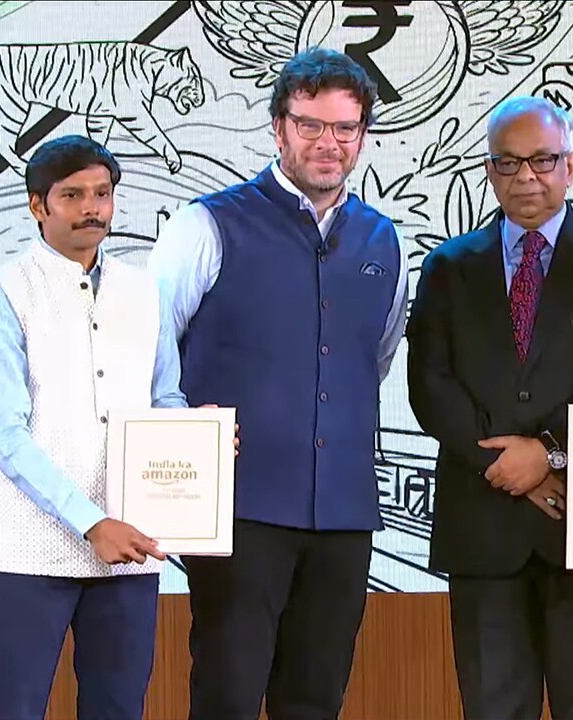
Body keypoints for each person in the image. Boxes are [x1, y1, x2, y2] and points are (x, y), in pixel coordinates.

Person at [146, 48, 408, 720]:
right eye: (310, 125)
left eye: (345, 128)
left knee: (316, 699)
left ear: (363, 135)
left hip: (343, 514)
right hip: (239, 510)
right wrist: (182, 430)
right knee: (228, 697)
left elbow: (372, 359)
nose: (328, 143)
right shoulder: (206, 224)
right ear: (278, 128)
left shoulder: (385, 241)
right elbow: (151, 349)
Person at [406, 96, 573, 720]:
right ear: (489, 171)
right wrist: (504, 463)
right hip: (482, 530)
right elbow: (430, 387)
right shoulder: (447, 266)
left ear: (571, 166)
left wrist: (548, 453)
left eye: (543, 160)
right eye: (509, 163)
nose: (526, 177)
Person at [0, 135, 185, 720]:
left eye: (102, 194)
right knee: (17, 709)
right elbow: (5, 434)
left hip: (130, 547)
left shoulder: (145, 292)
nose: (92, 208)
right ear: (38, 205)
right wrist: (91, 522)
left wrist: (196, 439)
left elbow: (164, 397)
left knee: (119, 709)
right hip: (30, 551)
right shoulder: (1, 296)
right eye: (73, 195)